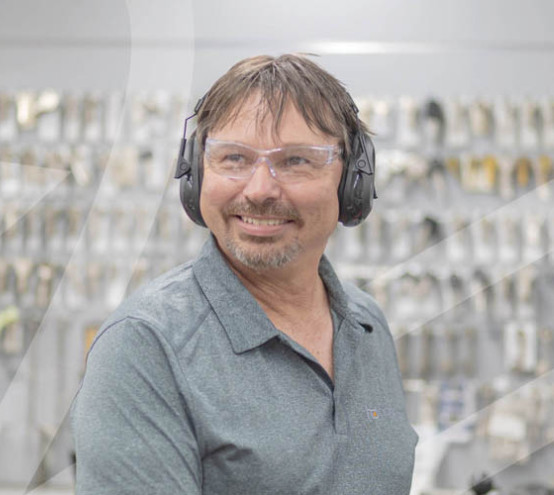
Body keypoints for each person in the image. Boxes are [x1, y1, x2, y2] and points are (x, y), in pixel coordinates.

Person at [71, 54, 417, 494]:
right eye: (233, 158)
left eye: (296, 161)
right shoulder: (145, 346)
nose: (259, 190)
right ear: (196, 176)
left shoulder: (367, 326)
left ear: (352, 181)